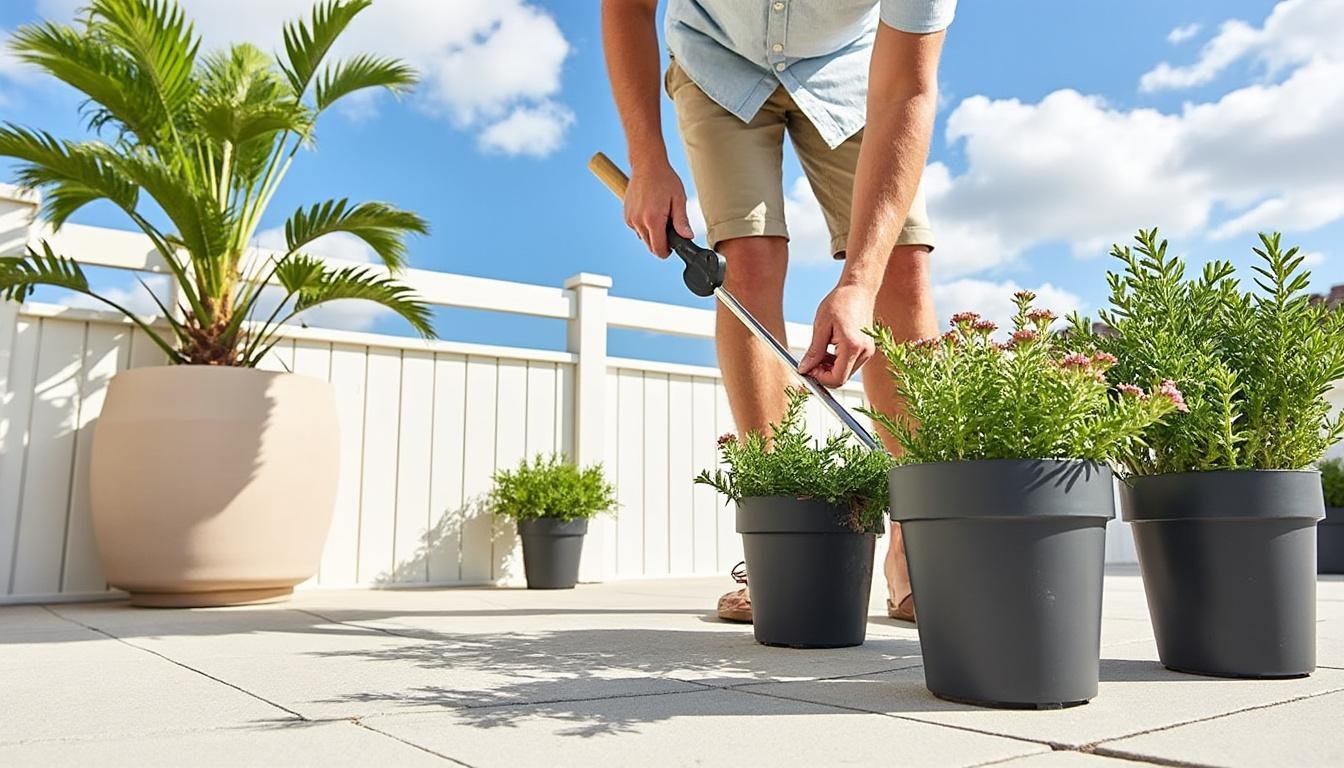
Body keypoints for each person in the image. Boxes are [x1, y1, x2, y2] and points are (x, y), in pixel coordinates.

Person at [600, 0, 955, 623]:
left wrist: (858, 282)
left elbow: (907, 88)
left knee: (900, 263)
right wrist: (648, 161)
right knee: (748, 259)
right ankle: (779, 542)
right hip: (717, 58)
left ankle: (917, 544)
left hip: (855, 68)